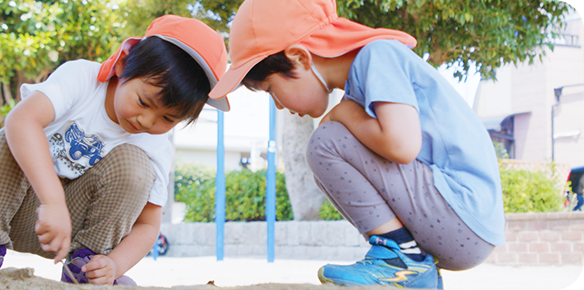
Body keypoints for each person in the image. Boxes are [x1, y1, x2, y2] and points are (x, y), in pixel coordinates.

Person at [207, 0, 504, 288]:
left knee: (326, 143)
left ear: (299, 57)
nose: (280, 105)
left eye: (272, 90)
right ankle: (409, 263)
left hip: (464, 215)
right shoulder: (362, 82)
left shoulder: (377, 56)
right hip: (460, 221)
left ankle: (402, 259)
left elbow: (403, 146)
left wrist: (344, 112)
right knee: (329, 144)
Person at [0, 15, 229, 285]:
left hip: (79, 228)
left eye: (168, 118)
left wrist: (115, 265)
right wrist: (51, 202)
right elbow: (21, 119)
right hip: (21, 208)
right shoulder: (82, 78)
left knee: (137, 169)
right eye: (143, 102)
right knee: (10, 136)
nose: (147, 121)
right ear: (122, 65)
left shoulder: (155, 145)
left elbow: (148, 225)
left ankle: (85, 267)